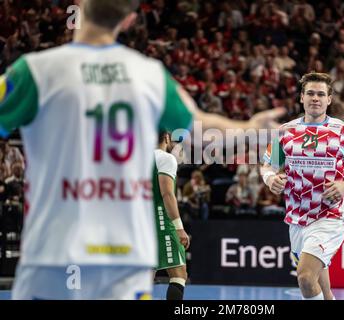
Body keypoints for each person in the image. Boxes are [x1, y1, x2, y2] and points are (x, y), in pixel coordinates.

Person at [0, 0, 284, 300]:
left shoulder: (35, 71)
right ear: (129, 21)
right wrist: (251, 126)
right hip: (124, 255)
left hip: (54, 252)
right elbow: (202, 131)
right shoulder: (150, 76)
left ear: (79, 6)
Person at [261, 72, 344, 300]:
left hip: (331, 214)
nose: (315, 98)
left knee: (304, 277)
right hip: (297, 216)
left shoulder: (343, 131)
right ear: (301, 97)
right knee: (324, 290)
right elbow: (267, 166)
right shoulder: (286, 131)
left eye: (321, 94)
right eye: (310, 93)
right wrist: (270, 178)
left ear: (329, 99)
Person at [153, 131, 189, 300]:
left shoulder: (136, 160)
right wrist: (179, 228)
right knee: (179, 273)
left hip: (140, 222)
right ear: (166, 138)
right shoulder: (165, 158)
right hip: (161, 221)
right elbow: (167, 194)